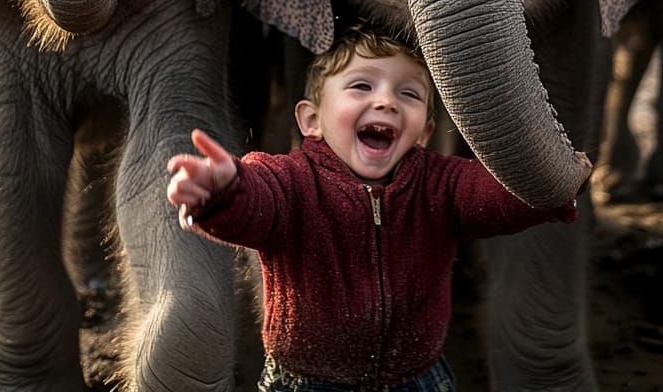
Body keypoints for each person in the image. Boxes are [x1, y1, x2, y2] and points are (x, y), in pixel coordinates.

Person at [166, 24, 591, 392]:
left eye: (408, 93)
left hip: (419, 377)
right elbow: (255, 203)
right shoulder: (288, 181)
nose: (387, 101)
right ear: (311, 121)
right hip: (307, 381)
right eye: (361, 86)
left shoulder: (439, 183)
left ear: (424, 132)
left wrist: (548, 179)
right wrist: (222, 191)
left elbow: (495, 196)